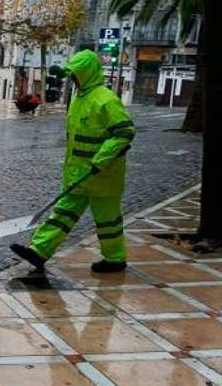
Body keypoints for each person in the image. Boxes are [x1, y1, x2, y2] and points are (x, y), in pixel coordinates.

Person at [10, 50, 136, 273]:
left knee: (108, 221)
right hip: (78, 173)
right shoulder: (79, 98)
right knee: (63, 213)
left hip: (103, 175)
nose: (73, 79)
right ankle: (39, 251)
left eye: (76, 74)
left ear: (87, 73)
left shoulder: (106, 99)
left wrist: (101, 160)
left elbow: (124, 132)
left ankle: (115, 259)